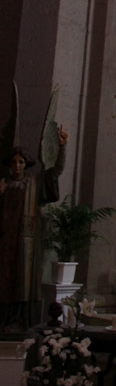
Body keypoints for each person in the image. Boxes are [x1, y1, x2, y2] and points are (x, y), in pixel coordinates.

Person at [0, 126, 69, 331]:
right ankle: (5, 320)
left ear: (26, 164)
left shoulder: (33, 183)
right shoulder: (3, 184)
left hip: (26, 240)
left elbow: (56, 172)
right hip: (5, 239)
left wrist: (62, 147)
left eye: (21, 162)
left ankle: (20, 320)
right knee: (5, 279)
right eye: (14, 162)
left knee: (24, 279)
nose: (17, 166)